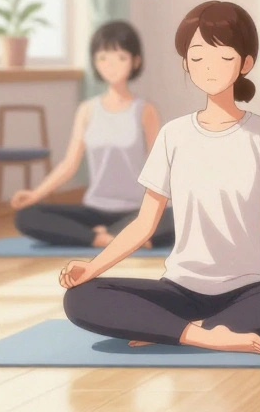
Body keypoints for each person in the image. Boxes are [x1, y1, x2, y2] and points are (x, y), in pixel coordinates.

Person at [60, 1, 260, 355]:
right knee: (80, 297)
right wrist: (92, 267)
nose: (209, 67)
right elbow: (144, 224)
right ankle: (204, 334)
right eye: (198, 56)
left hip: (248, 291)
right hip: (179, 290)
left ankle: (171, 331)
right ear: (186, 62)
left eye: (223, 56)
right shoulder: (174, 135)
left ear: (245, 63)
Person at [12, 21, 174, 248]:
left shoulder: (145, 110)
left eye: (120, 57)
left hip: (135, 210)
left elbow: (160, 166)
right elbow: (69, 164)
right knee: (26, 216)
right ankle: (107, 238)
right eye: (102, 57)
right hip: (94, 210)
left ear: (135, 61)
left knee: (176, 216)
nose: (110, 65)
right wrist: (35, 195)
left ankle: (105, 234)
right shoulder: (87, 110)